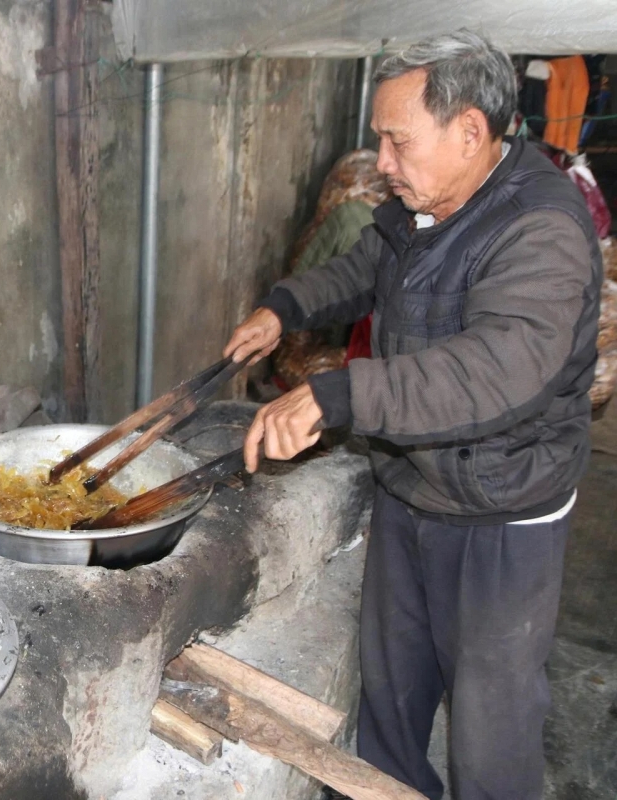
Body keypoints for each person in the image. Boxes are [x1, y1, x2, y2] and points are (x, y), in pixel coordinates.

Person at [222, 30, 603, 800]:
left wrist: (341, 394)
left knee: (490, 737)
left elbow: (497, 371)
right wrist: (284, 307)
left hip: (501, 514)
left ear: (470, 131)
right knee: (391, 702)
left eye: (397, 141)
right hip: (412, 488)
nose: (383, 162)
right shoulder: (419, 202)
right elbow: (368, 265)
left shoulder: (541, 229)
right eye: (380, 141)